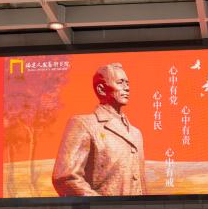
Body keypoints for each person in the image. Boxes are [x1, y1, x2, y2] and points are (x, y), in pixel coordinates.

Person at [52, 62, 147, 197]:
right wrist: (101, 204)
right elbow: (65, 178)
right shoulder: (83, 124)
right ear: (101, 89)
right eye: (120, 82)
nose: (127, 88)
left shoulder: (136, 133)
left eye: (127, 83)